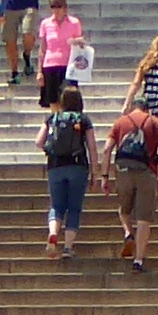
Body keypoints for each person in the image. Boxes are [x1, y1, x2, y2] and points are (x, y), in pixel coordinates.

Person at [105, 90, 158, 272]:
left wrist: (104, 176)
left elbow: (107, 149)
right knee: (144, 219)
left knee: (124, 209)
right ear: (147, 108)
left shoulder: (120, 122)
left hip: (123, 171)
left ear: (133, 107)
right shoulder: (156, 123)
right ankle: (138, 260)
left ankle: (128, 233)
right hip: (147, 173)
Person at [39, 79, 94, 260]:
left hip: (55, 166)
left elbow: (38, 142)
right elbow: (92, 147)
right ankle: (68, 247)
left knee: (56, 206)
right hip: (78, 166)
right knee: (74, 208)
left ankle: (53, 233)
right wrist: (96, 172)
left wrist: (50, 148)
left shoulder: (52, 118)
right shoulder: (83, 120)